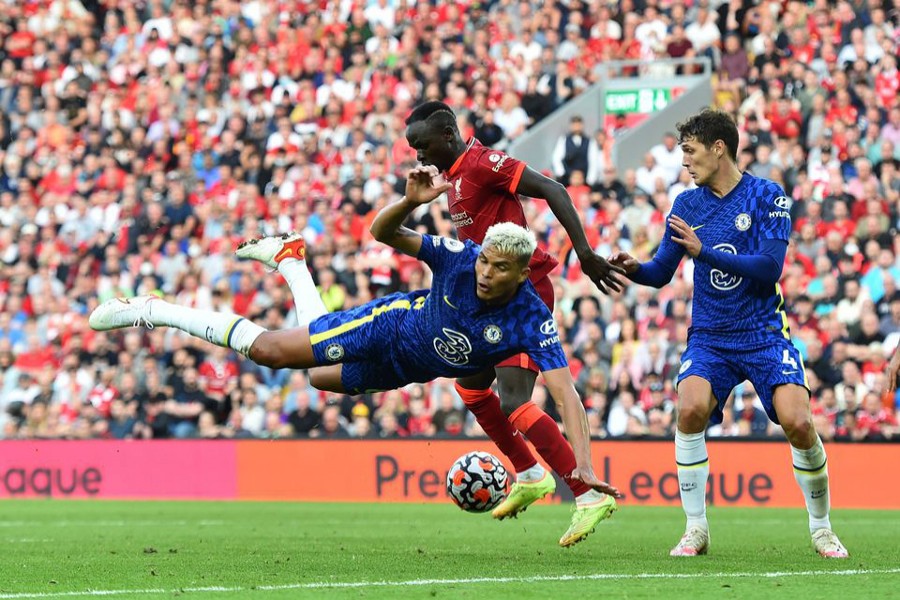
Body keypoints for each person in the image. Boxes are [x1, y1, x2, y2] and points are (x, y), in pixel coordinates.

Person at [89, 165, 620, 547]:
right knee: (272, 350)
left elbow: (566, 395)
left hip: (406, 368)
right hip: (385, 328)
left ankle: (292, 261)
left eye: (499, 268)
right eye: (485, 261)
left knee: (320, 379)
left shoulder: (530, 317)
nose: (486, 272)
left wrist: (587, 467)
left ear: (522, 274)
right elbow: (383, 233)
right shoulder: (459, 259)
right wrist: (412, 202)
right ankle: (155, 309)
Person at [608, 109, 849, 559]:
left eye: (690, 151)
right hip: (711, 337)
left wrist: (705, 253)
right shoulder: (686, 204)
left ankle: (822, 528)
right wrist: (634, 269)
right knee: (690, 409)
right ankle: (695, 529)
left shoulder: (766, 196)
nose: (685, 162)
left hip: (763, 334)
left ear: (719, 149)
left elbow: (769, 268)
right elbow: (662, 272)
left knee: (798, 422)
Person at [404, 101, 625, 527]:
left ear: (447, 135)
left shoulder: (485, 164)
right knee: (469, 387)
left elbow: (554, 189)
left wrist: (585, 253)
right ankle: (527, 472)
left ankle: (587, 496)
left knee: (514, 400)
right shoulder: (451, 178)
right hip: (490, 298)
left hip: (525, 291)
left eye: (422, 144)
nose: (418, 154)